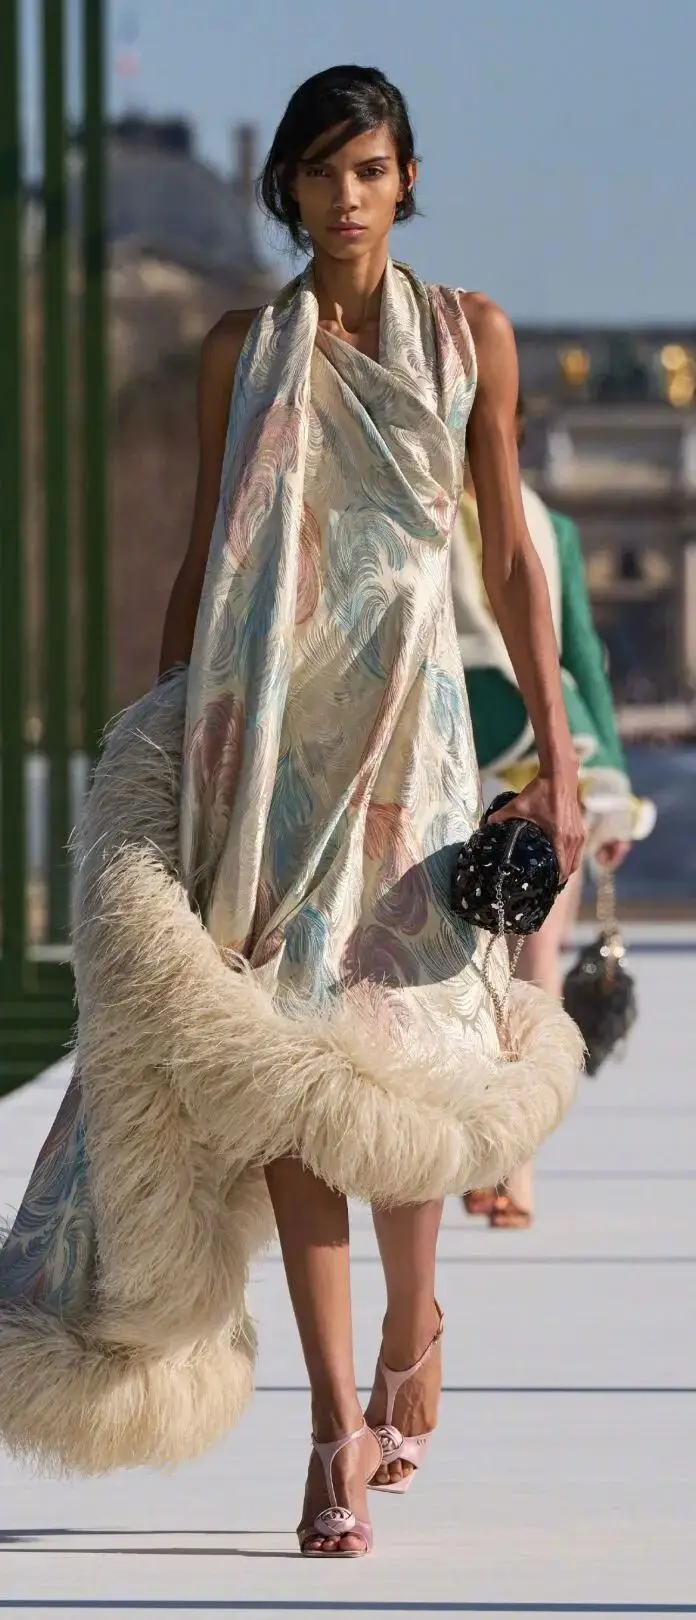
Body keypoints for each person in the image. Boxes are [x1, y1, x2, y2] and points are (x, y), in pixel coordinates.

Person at [0, 67, 583, 1557]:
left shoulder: (471, 338)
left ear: (406, 179)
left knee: (411, 1059)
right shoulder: (240, 350)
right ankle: (333, 1427)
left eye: (369, 169)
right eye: (321, 172)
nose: (345, 197)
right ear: (289, 188)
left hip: (418, 754)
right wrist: (159, 748)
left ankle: (410, 1322)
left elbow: (510, 562)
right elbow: (209, 557)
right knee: (287, 1061)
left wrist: (561, 755)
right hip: (264, 754)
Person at [452, 394, 655, 1226]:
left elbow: (582, 663)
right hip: (446, 756)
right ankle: (480, 1151)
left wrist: (611, 791)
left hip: (544, 756)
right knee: (461, 974)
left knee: (534, 966)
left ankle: (516, 1167)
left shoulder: (554, 531)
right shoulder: (414, 512)